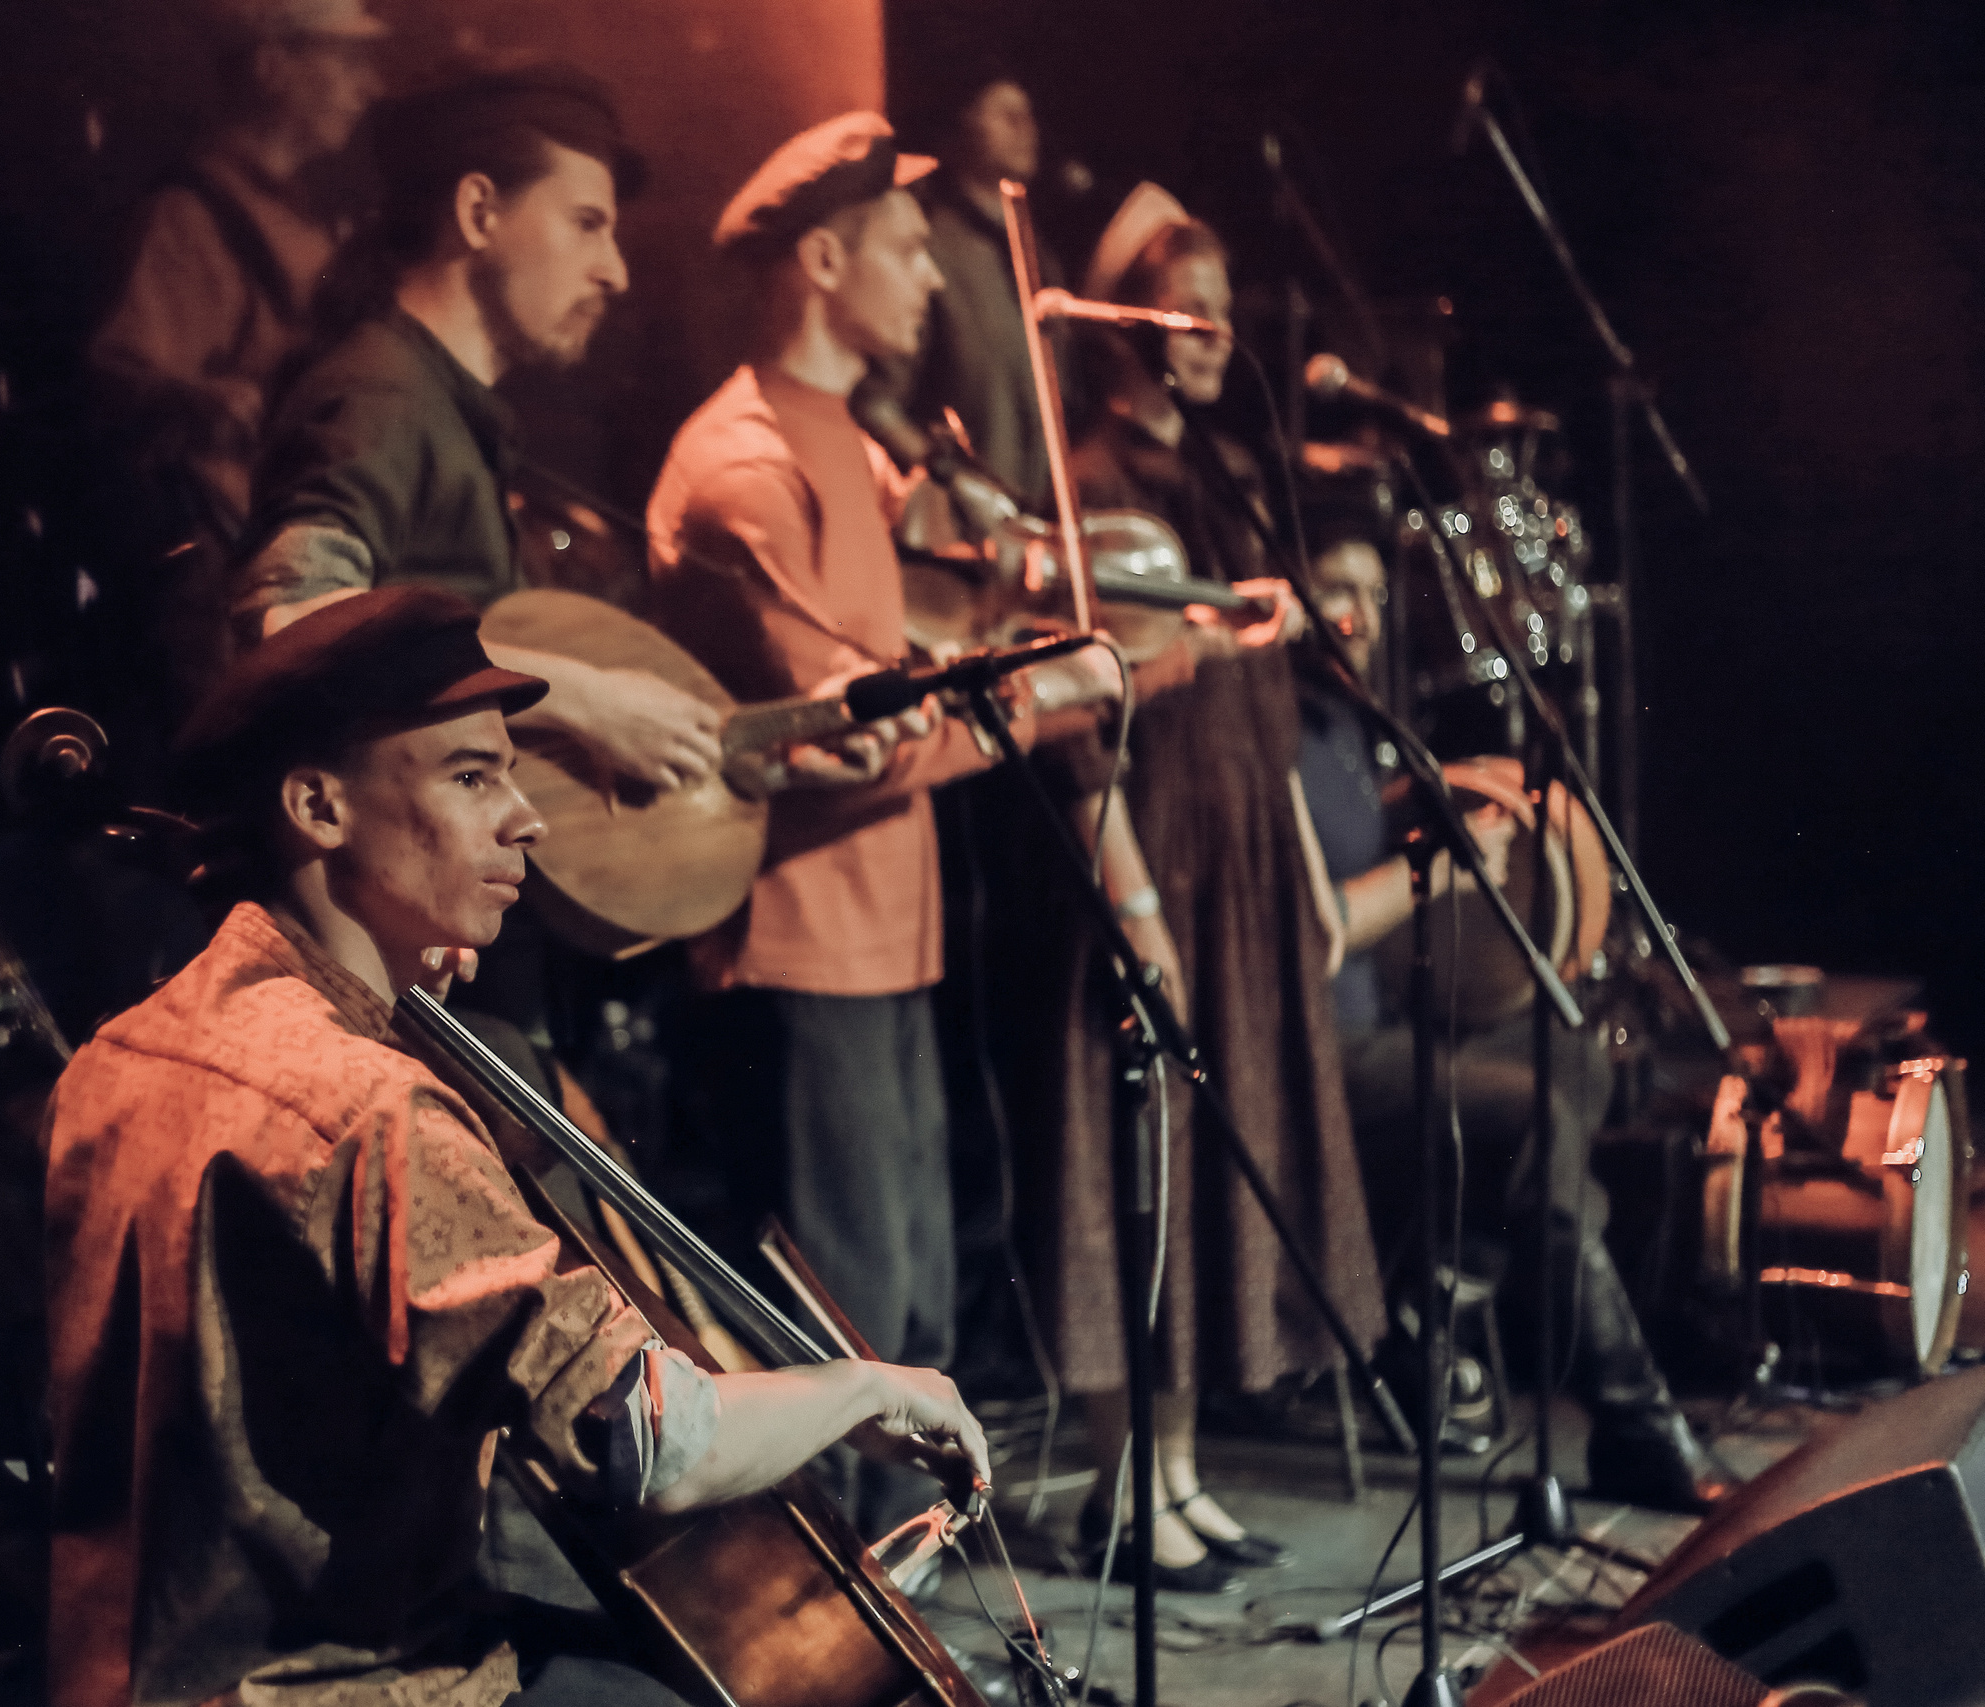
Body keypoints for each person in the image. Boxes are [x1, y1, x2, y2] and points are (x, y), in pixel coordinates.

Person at [42, 585, 993, 1707]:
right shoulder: (373, 1107)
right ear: (317, 807)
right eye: (470, 776)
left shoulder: (116, 1057)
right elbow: (658, 1446)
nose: (525, 818)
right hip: (334, 1682)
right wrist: (860, 1391)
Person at [644, 112, 1075, 1539]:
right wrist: (1050, 696)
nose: (934, 275)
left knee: (907, 1311)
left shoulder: (856, 442)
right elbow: (840, 751)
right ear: (824, 261)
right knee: (839, 1342)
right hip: (798, 943)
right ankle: (828, 1653)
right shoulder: (746, 464)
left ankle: (904, 1644)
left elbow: (925, 646)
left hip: (888, 940)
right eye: (904, 245)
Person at [1049, 183, 1388, 1589]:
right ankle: (1129, 1484)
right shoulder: (1093, 484)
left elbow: (1265, 707)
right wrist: (1128, 897)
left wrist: (1310, 865)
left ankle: (1185, 1471)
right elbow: (1079, 717)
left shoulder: (1232, 477)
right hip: (1162, 858)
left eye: (1222, 316)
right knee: (1148, 1168)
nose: (1212, 339)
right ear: (1130, 325)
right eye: (1187, 314)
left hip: (1250, 856)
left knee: (1222, 1163)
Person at [1295, 522, 1733, 1515]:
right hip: (1313, 1049)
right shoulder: (1275, 736)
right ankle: (1634, 1419)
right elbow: (1313, 937)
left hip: (1380, 1026)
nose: (1356, 616)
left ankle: (1441, 1299)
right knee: (1533, 1117)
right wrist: (1439, 871)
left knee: (1571, 1057)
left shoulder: (1347, 726)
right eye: (1332, 587)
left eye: (1368, 590)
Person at [232, 63, 724, 800]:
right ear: (479, 212)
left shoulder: (440, 403)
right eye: (588, 224)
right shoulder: (381, 393)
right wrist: (586, 698)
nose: (615, 272)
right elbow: (297, 617)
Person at [88, 0, 387, 551]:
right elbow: (112, 380)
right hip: (209, 559)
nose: (370, 87)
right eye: (347, 62)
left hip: (281, 545)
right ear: (272, 67)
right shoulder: (188, 220)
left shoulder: (310, 225)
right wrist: (194, 400)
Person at [853, 73, 1064, 510]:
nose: (1026, 125)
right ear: (960, 126)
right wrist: (954, 486)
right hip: (962, 531)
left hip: (1034, 527)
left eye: (1027, 114)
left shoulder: (1038, 254)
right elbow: (878, 402)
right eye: (1006, 115)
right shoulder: (929, 250)